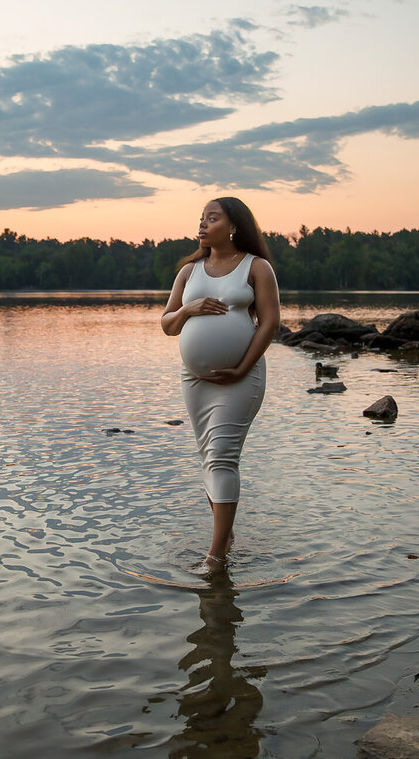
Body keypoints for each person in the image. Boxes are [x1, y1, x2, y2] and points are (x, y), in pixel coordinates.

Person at [160, 197, 280, 574]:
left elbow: (270, 323)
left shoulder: (255, 267)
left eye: (212, 218)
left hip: (240, 379)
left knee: (222, 457)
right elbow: (167, 324)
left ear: (233, 226)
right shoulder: (189, 271)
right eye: (201, 218)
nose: (202, 224)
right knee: (209, 458)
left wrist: (243, 368)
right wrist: (187, 310)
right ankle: (224, 535)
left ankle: (216, 558)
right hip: (195, 381)